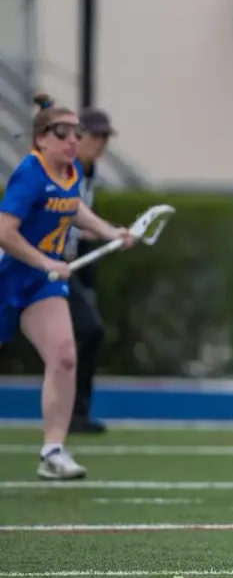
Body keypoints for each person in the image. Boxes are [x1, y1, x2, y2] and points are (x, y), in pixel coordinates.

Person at [0, 93, 134, 479]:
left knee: (64, 356)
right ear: (41, 138)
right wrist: (45, 261)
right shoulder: (30, 173)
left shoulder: (71, 173)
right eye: (63, 133)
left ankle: (53, 451)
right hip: (9, 274)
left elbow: (73, 209)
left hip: (42, 284)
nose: (73, 140)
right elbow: (5, 232)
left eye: (77, 133)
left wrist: (111, 232)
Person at [63, 107, 117, 434]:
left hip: (65, 268)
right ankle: (72, 415)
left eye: (104, 137)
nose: (100, 143)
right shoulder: (60, 171)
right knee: (86, 333)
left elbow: (80, 219)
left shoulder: (88, 172)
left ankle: (74, 415)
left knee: (84, 335)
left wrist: (103, 232)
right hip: (38, 265)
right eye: (95, 136)